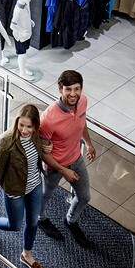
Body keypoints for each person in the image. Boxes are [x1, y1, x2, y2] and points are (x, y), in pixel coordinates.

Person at [0, 104, 57, 268]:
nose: (24, 130)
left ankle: (27, 255)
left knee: (32, 222)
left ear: (35, 126)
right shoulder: (6, 140)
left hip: (34, 186)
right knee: (14, 225)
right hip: (14, 190)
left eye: (28, 126)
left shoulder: (37, 136)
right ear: (16, 122)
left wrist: (49, 145)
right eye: (21, 125)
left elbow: (42, 150)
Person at [39, 70, 95, 247]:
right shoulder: (48, 118)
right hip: (54, 165)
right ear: (59, 89)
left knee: (84, 196)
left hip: (76, 158)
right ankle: (40, 218)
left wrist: (88, 143)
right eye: (68, 89)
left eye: (77, 89)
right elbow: (43, 152)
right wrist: (65, 171)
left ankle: (70, 220)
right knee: (44, 196)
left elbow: (82, 122)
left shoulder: (83, 101)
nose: (73, 94)